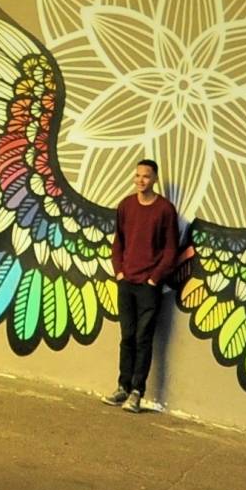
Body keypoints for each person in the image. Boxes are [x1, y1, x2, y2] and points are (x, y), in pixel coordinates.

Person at [106, 158, 181, 414]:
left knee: (143, 338)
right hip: (126, 282)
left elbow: (171, 249)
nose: (140, 180)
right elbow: (119, 242)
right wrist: (119, 271)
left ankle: (137, 392)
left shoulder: (164, 210)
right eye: (137, 175)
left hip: (149, 286)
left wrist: (154, 277)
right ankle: (122, 387)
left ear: (155, 179)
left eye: (146, 176)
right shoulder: (126, 205)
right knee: (127, 337)